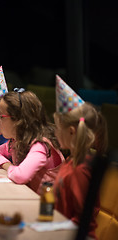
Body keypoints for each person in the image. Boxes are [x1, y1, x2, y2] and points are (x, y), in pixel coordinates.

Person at [53, 76, 108, 240]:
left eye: (57, 128)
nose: (55, 133)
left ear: (71, 131)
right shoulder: (70, 161)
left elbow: (83, 220)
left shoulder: (79, 170)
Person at [0, 89, 64, 194]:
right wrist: (8, 165)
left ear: (18, 121)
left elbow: (20, 176)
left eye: (1, 116)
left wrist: (9, 167)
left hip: (50, 206)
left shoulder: (40, 145)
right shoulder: (16, 141)